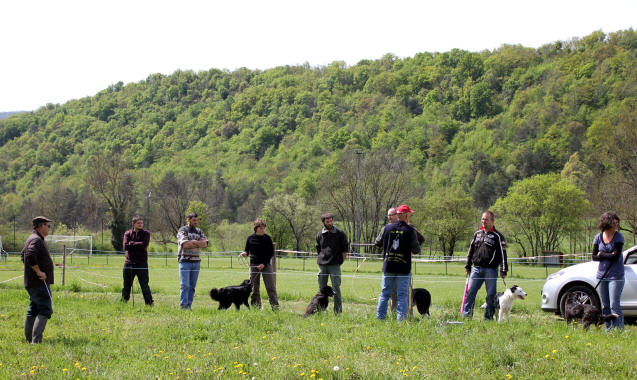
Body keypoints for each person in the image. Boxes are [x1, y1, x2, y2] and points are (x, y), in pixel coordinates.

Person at [376, 204, 421, 321]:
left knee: (385, 294)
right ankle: (401, 321)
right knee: (402, 295)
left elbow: (377, 242)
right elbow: (416, 250)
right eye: (409, 214)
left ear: (397, 215)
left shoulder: (387, 228)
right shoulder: (411, 230)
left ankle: (380, 319)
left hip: (388, 266)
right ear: (406, 216)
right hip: (403, 268)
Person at [463, 211, 508, 320]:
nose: (484, 221)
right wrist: (468, 266)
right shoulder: (477, 234)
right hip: (476, 269)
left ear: (492, 221)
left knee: (491, 295)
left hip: (491, 270)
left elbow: (503, 255)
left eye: (486, 219)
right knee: (470, 293)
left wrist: (503, 270)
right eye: (482, 219)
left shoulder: (498, 236)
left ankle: (488, 318)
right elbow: (470, 251)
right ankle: (467, 316)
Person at [21, 216, 54, 343]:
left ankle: (30, 339)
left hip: (32, 282)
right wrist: (38, 271)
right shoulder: (36, 240)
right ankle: (36, 341)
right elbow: (28, 255)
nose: (49, 228)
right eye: (48, 225)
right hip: (38, 283)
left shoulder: (32, 238)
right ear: (41, 226)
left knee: (34, 309)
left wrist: (31, 270)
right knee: (45, 309)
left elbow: (22, 256)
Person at [593, 211, 625, 331]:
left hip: (616, 276)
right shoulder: (598, 237)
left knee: (614, 305)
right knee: (605, 305)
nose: (616, 225)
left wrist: (602, 254)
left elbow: (615, 256)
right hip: (602, 275)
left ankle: (619, 329)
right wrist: (607, 254)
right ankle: (609, 329)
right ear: (607, 224)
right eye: (614, 223)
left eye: (617, 223)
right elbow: (594, 257)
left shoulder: (619, 237)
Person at [241, 218, 279, 310]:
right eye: (261, 228)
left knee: (270, 287)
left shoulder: (267, 238)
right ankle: (256, 308)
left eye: (264, 228)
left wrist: (264, 264)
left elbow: (271, 253)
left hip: (266, 265)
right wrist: (245, 254)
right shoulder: (250, 238)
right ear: (256, 228)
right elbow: (247, 251)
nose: (263, 230)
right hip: (254, 265)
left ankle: (275, 308)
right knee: (254, 288)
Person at [315, 212, 349, 314]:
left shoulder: (340, 233)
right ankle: (321, 311)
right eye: (327, 221)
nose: (330, 223)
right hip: (322, 265)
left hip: (335, 265)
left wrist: (340, 262)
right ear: (323, 222)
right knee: (322, 290)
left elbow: (344, 250)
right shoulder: (319, 234)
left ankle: (337, 312)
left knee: (336, 289)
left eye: (331, 221)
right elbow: (318, 249)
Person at [177, 213, 208, 310]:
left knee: (192, 286)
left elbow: (205, 244)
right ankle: (183, 307)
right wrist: (198, 243)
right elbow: (185, 245)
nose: (196, 222)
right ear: (189, 220)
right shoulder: (183, 230)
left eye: (197, 220)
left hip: (196, 262)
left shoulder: (199, 231)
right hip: (185, 261)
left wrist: (193, 242)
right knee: (184, 285)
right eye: (194, 220)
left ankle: (189, 306)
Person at [121, 215, 153, 305]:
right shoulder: (127, 233)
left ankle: (149, 303)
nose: (140, 224)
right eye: (138, 223)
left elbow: (144, 245)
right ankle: (123, 302)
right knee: (126, 285)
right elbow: (125, 246)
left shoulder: (146, 233)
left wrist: (132, 243)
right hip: (129, 263)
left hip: (141, 263)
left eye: (141, 223)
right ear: (133, 223)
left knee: (144, 285)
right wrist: (137, 244)